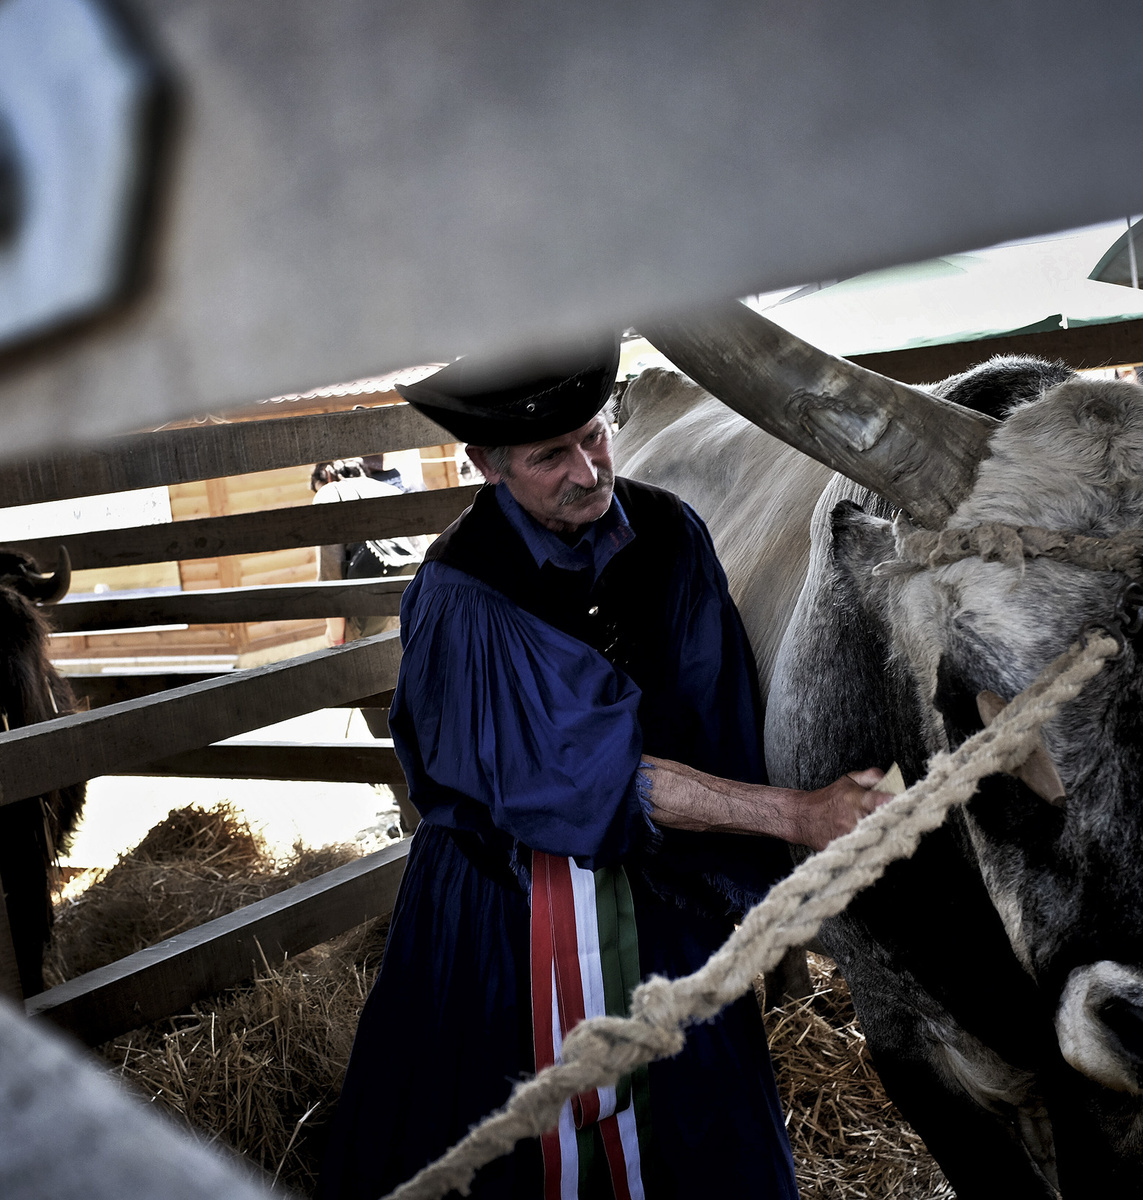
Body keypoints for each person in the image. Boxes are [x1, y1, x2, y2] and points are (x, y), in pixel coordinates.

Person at [317, 339, 892, 1200]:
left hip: (668, 891)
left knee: (708, 1138)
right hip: (511, 912)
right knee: (509, 1143)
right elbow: (601, 778)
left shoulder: (667, 529)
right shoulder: (465, 594)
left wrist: (744, 880)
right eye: (551, 456)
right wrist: (797, 816)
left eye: (594, 437)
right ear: (485, 464)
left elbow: (714, 710)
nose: (588, 471)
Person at [312, 458, 425, 643]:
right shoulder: (390, 490)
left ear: (328, 478)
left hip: (368, 620)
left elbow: (330, 578)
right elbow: (421, 550)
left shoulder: (328, 495)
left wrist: (336, 637)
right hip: (413, 608)